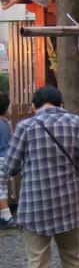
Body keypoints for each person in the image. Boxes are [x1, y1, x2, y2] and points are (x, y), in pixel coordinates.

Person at [0, 86, 79, 268]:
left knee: (38, 261)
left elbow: (9, 167)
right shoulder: (77, 123)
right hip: (69, 204)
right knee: (73, 257)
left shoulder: (26, 127)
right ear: (61, 103)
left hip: (35, 205)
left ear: (34, 105)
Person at [0, 93, 16, 228]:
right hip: (6, 159)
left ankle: (7, 217)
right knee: (3, 188)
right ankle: (4, 216)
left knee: (0, 190)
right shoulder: (6, 123)